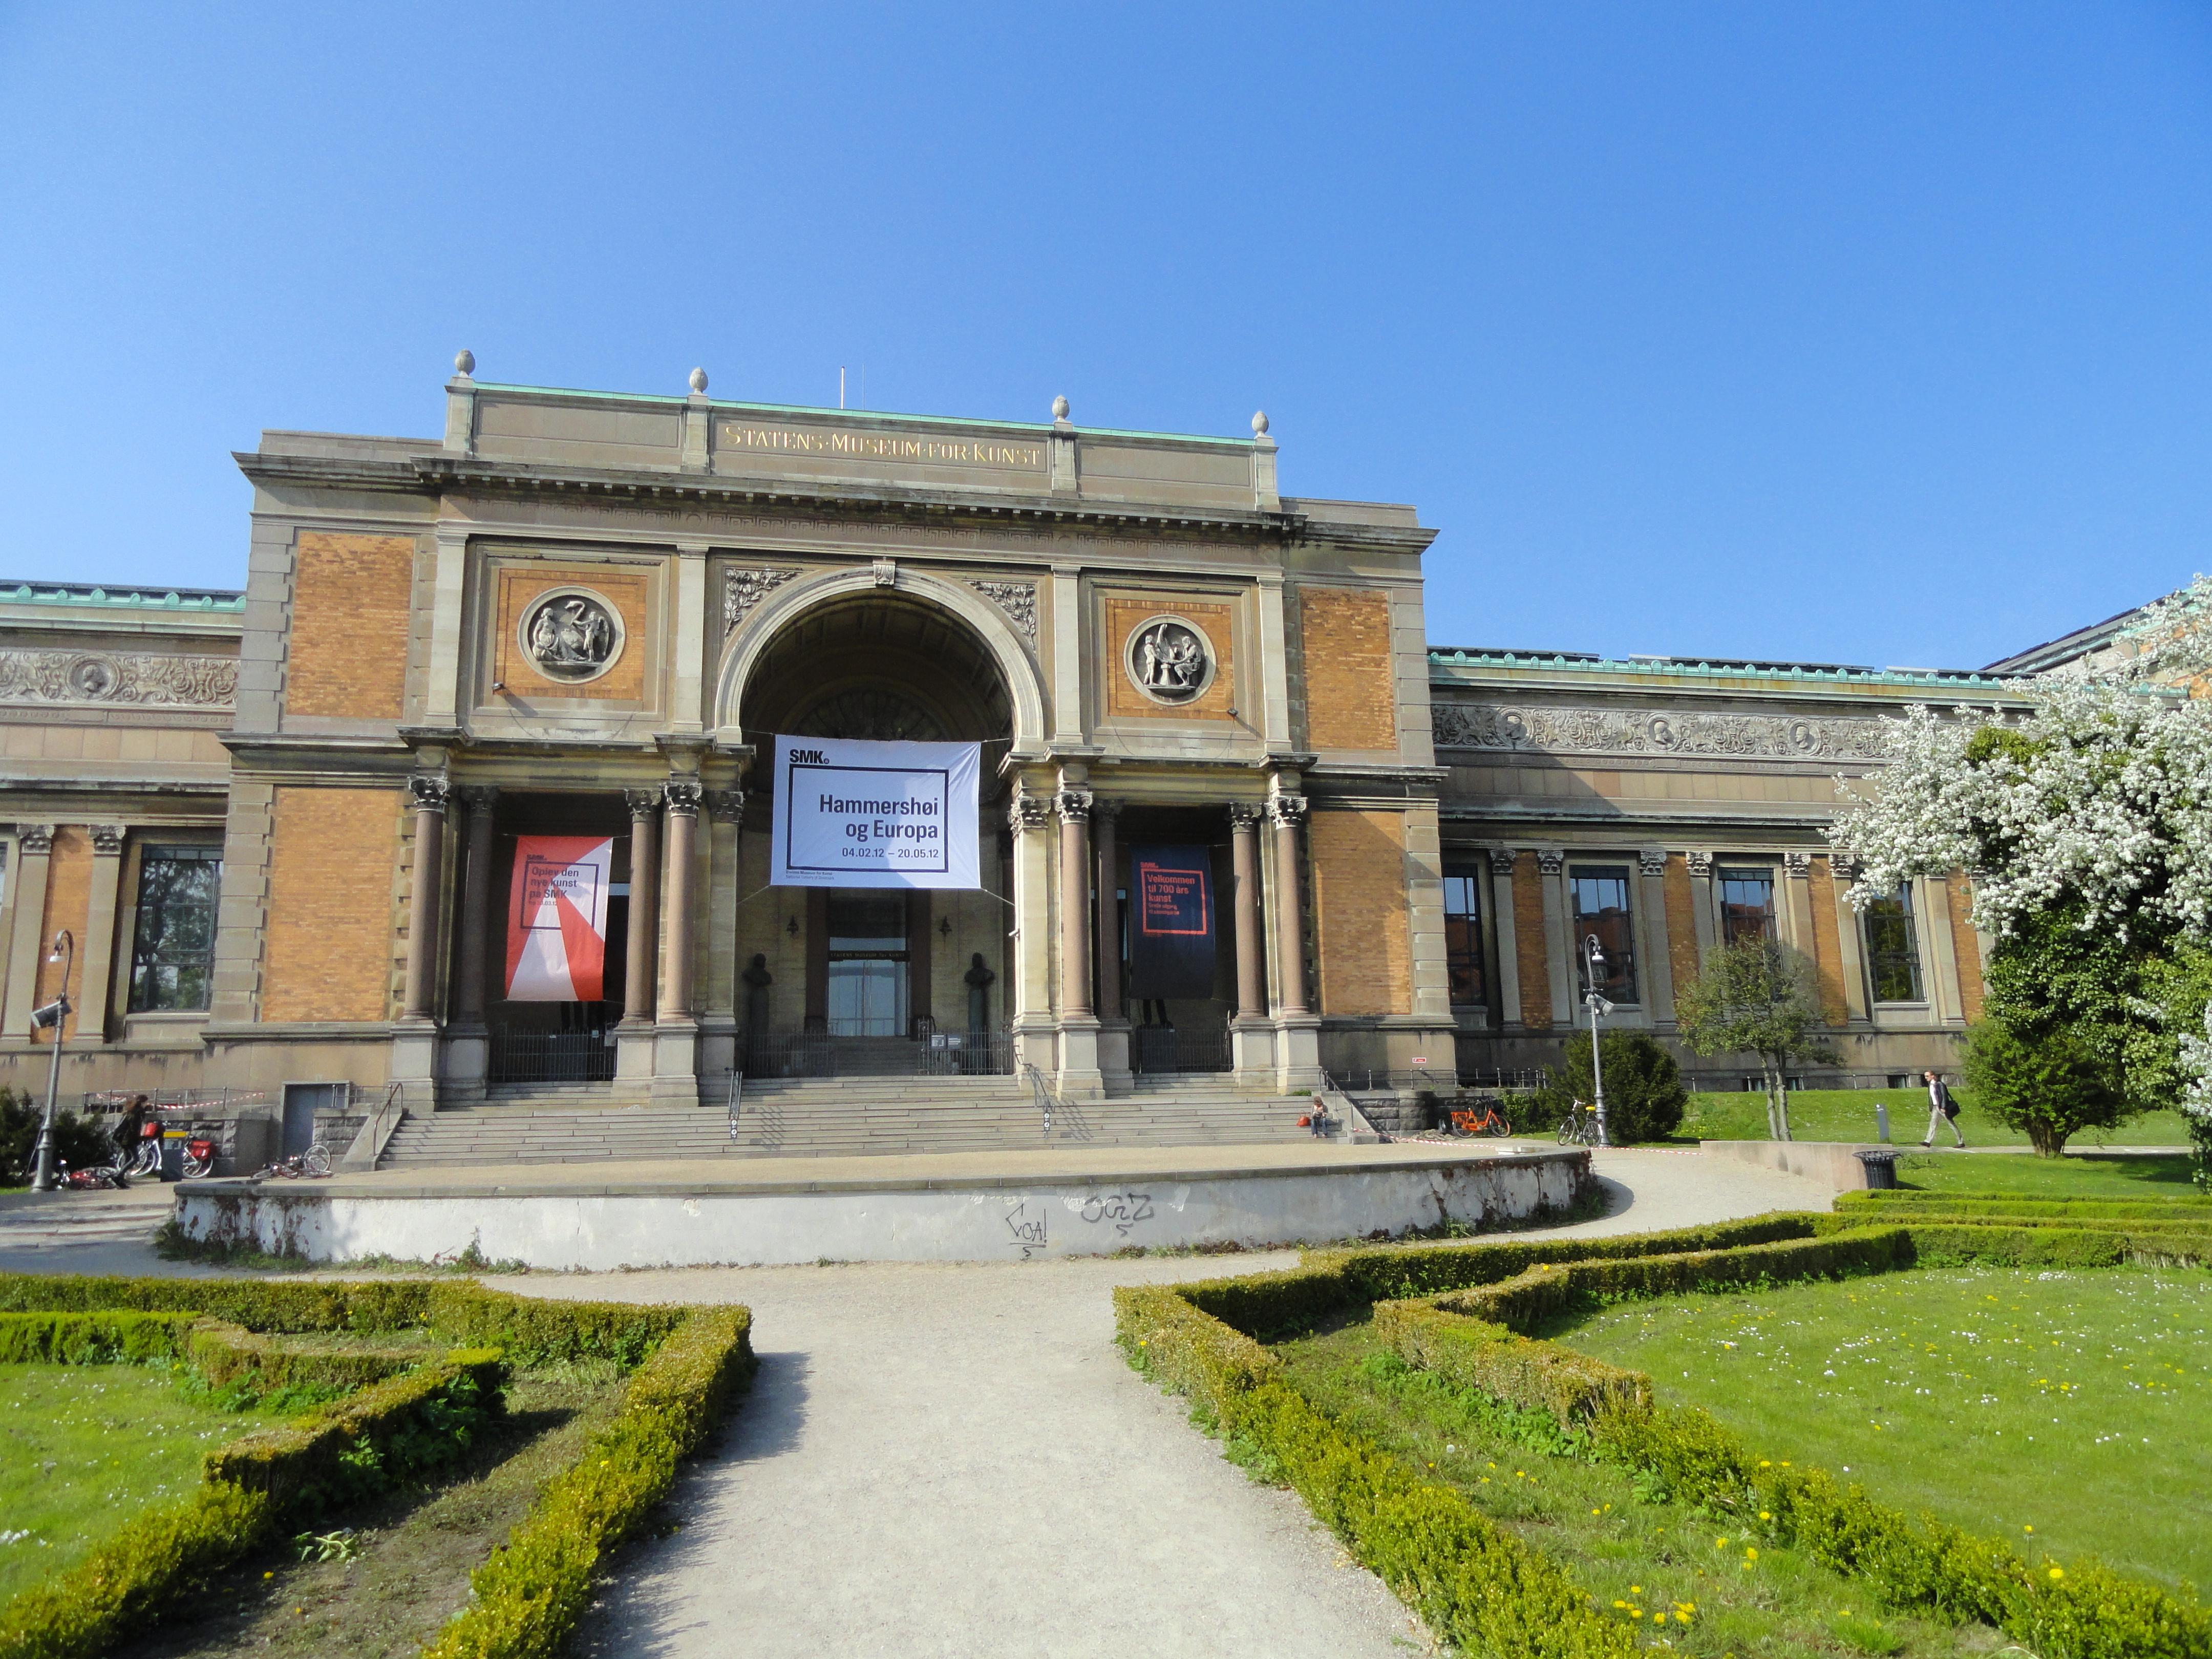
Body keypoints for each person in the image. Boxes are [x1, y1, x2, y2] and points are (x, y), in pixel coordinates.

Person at [1920, 1069, 1965, 1148]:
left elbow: (1944, 1096)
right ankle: (1928, 1141)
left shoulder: (1940, 1084)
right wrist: (1931, 1107)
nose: (1926, 1078)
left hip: (1941, 1107)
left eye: (1927, 1076)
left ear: (1933, 1076)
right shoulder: (1930, 1085)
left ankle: (1960, 1141)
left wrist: (1944, 1107)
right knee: (1933, 1124)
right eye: (1925, 1076)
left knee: (1951, 1124)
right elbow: (1931, 1097)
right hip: (1935, 1107)